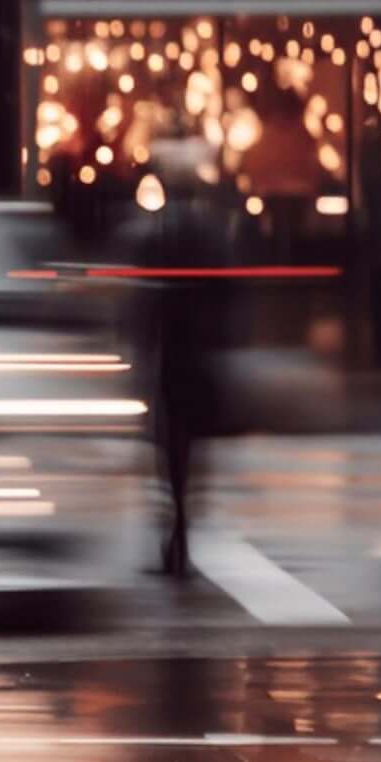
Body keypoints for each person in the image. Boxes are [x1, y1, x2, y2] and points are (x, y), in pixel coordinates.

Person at [131, 142, 238, 580]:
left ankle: (176, 537)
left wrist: (140, 346)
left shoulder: (159, 232)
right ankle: (181, 537)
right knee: (188, 457)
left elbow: (145, 300)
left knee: (171, 454)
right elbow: (227, 295)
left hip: (175, 355)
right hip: (196, 355)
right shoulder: (208, 231)